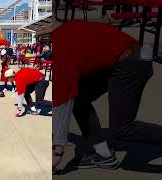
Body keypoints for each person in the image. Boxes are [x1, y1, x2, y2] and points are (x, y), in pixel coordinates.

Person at [52, 20, 154, 173]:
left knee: (122, 129)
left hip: (132, 63)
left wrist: (57, 150)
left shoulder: (62, 53)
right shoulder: (62, 35)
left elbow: (62, 101)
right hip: (121, 58)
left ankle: (105, 153)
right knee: (79, 98)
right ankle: (104, 155)